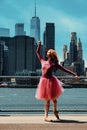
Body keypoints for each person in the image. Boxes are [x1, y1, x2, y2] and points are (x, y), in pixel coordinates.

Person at [35, 41, 79, 122]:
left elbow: (64, 69)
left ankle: (55, 111)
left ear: (51, 54)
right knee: (47, 100)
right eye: (47, 52)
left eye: (48, 52)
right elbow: (37, 52)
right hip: (44, 82)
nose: (47, 52)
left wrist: (74, 74)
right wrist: (39, 45)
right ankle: (46, 116)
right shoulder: (43, 61)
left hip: (51, 82)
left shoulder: (54, 64)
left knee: (54, 100)